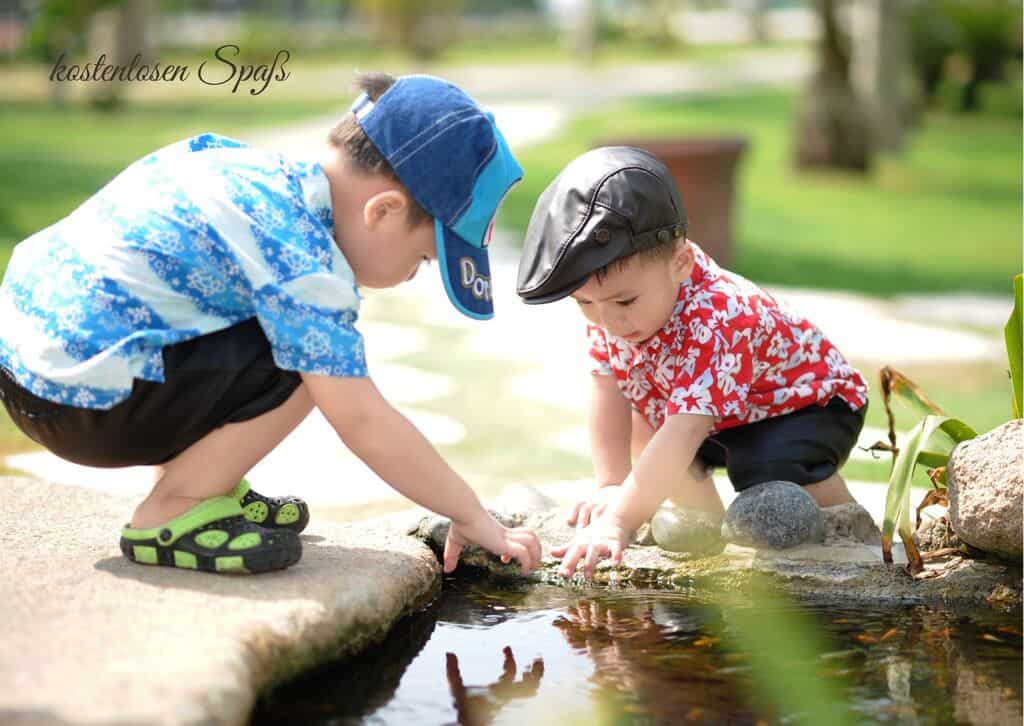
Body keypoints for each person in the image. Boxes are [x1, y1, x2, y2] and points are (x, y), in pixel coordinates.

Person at [0, 72, 541, 576]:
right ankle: (175, 507)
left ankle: (206, 484)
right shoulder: (303, 256)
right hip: (83, 402)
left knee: (285, 334)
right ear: (384, 211)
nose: (410, 277)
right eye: (423, 260)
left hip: (26, 367)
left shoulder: (245, 170)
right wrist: (470, 514)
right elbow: (362, 420)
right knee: (318, 366)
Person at [516, 146, 868, 579]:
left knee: (763, 470)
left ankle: (850, 529)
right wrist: (611, 483)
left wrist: (619, 521)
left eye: (624, 300)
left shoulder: (720, 315)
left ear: (680, 262)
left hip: (806, 407)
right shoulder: (614, 310)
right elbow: (607, 389)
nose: (608, 320)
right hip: (720, 414)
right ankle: (705, 533)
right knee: (646, 423)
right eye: (584, 303)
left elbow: (686, 429)